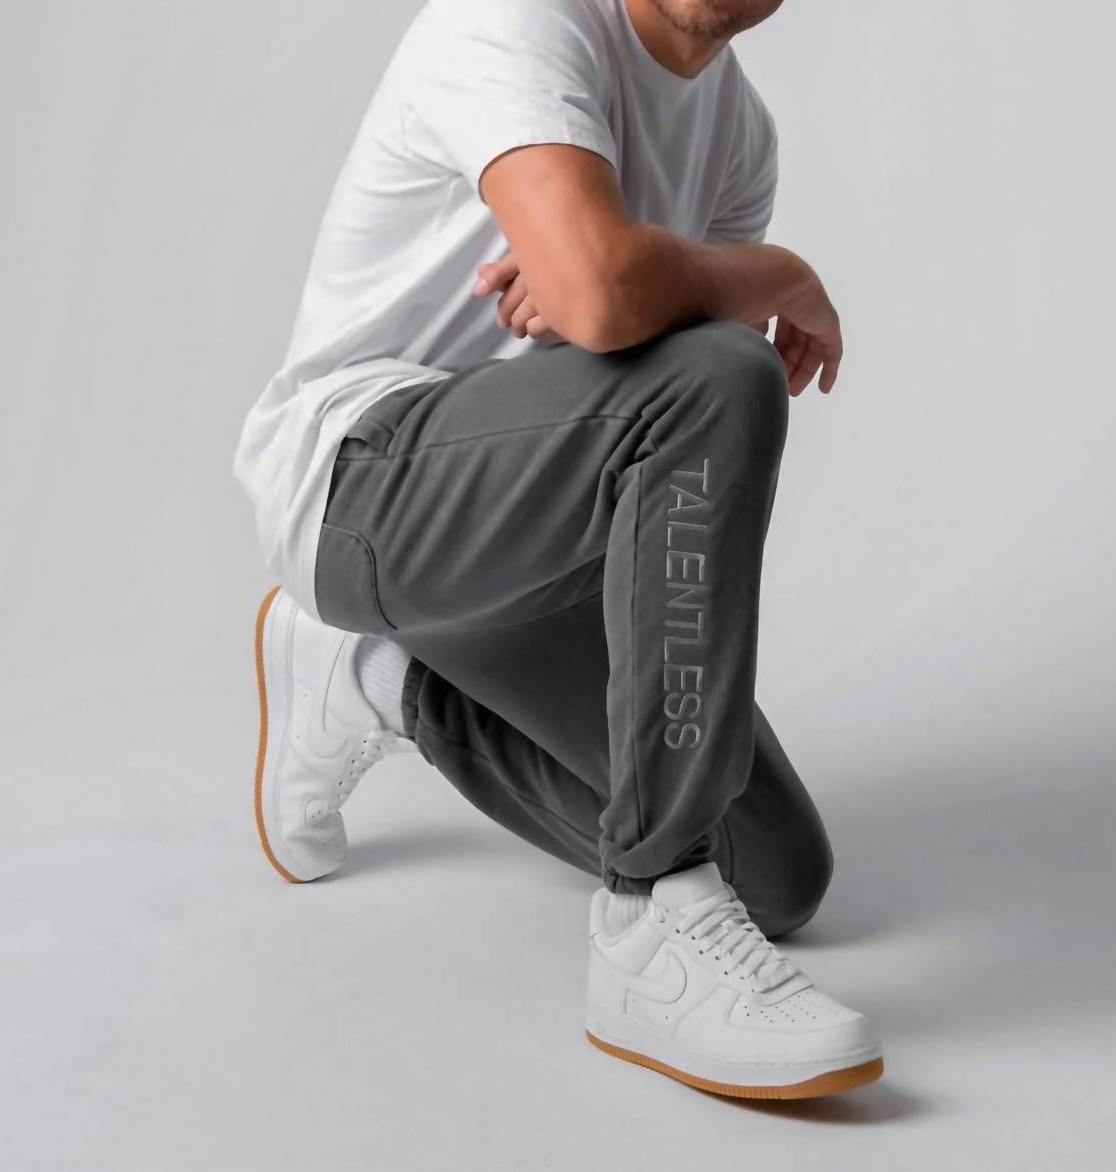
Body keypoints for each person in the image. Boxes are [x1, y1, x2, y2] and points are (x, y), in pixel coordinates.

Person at [235, 0, 882, 1100]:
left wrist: (627, 281)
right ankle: (651, 924)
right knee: (727, 370)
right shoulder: (516, 22)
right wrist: (766, 275)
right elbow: (625, 314)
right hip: (362, 486)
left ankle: (376, 679)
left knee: (775, 875)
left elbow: (641, 362)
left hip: (539, 540)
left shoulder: (739, 136)